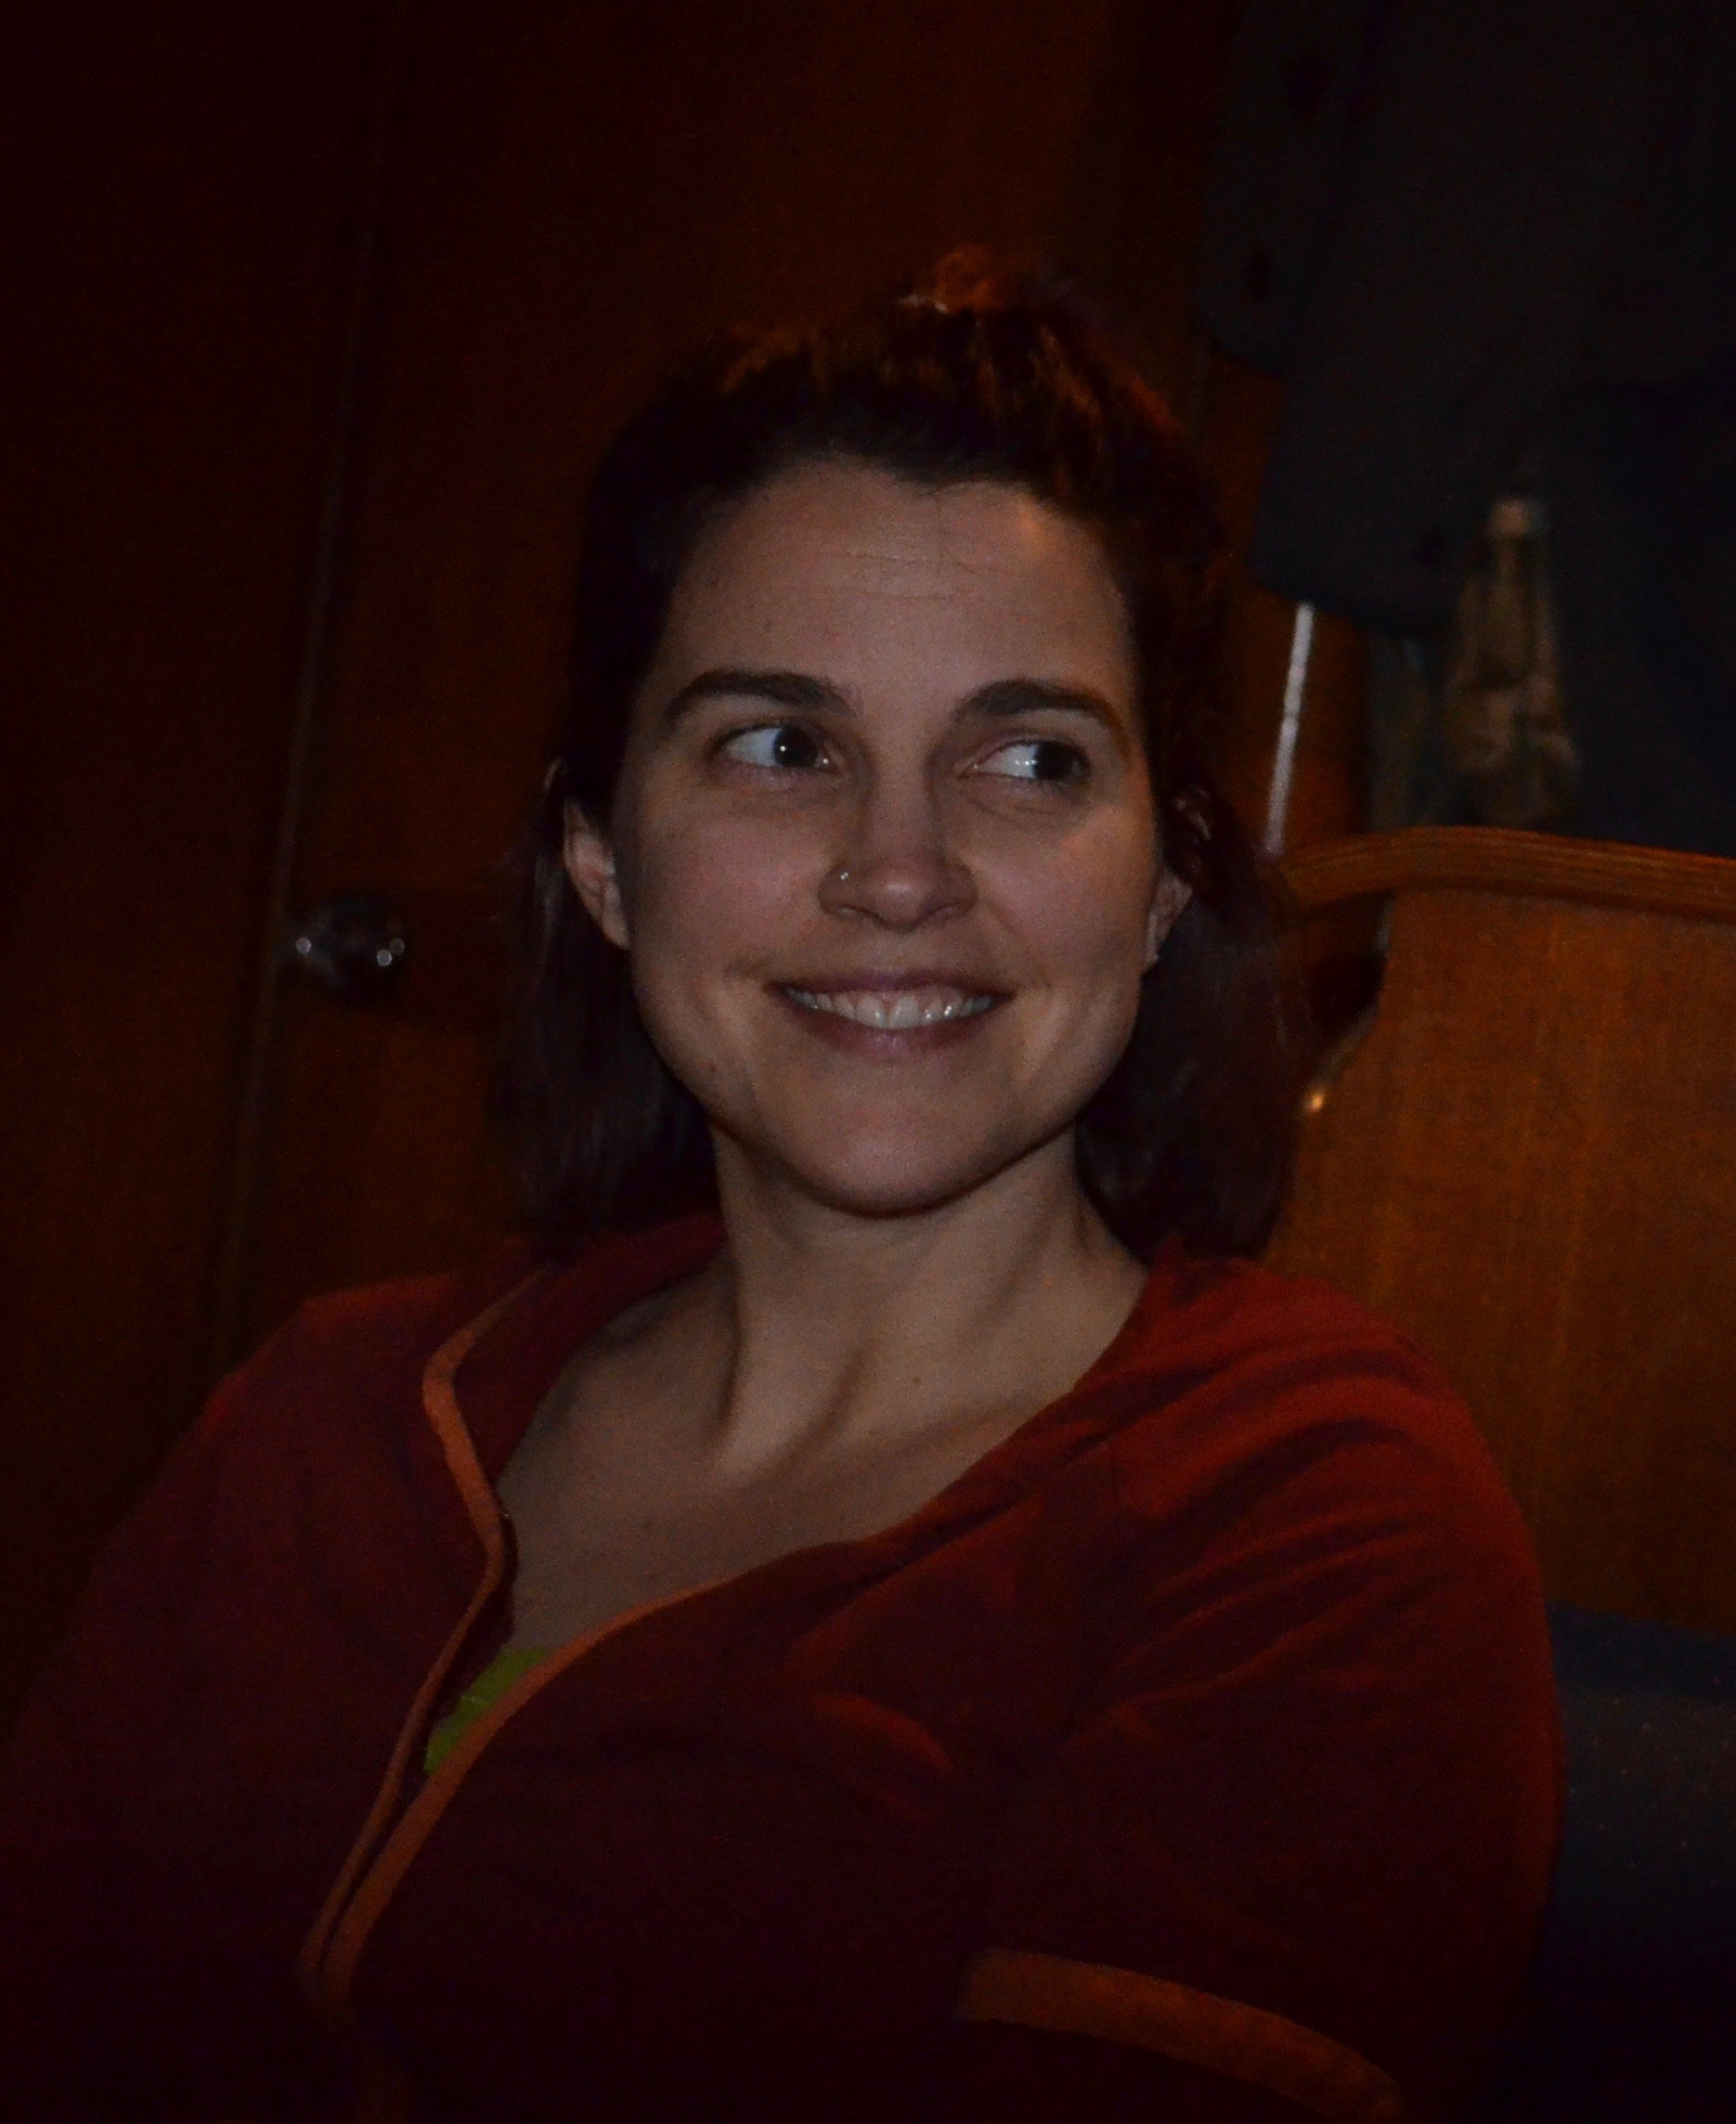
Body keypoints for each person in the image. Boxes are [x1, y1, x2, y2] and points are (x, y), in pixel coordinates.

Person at [0, 257, 1561, 2121]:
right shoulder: (318, 1419)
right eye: (780, 745)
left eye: (1031, 758)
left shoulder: (1309, 1513)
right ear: (602, 856)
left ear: (1166, 876)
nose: (898, 870)